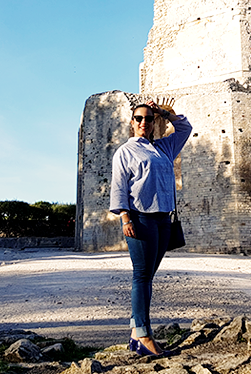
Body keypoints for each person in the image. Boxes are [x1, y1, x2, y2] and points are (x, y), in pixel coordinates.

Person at [109, 100, 192, 356]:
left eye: (148, 118)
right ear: (132, 123)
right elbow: (119, 186)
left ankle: (137, 333)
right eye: (139, 118)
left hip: (163, 220)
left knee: (147, 277)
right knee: (142, 276)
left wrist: (166, 113)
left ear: (154, 122)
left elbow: (185, 129)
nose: (144, 122)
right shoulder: (125, 151)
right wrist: (125, 217)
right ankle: (144, 337)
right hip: (140, 219)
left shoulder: (164, 148)